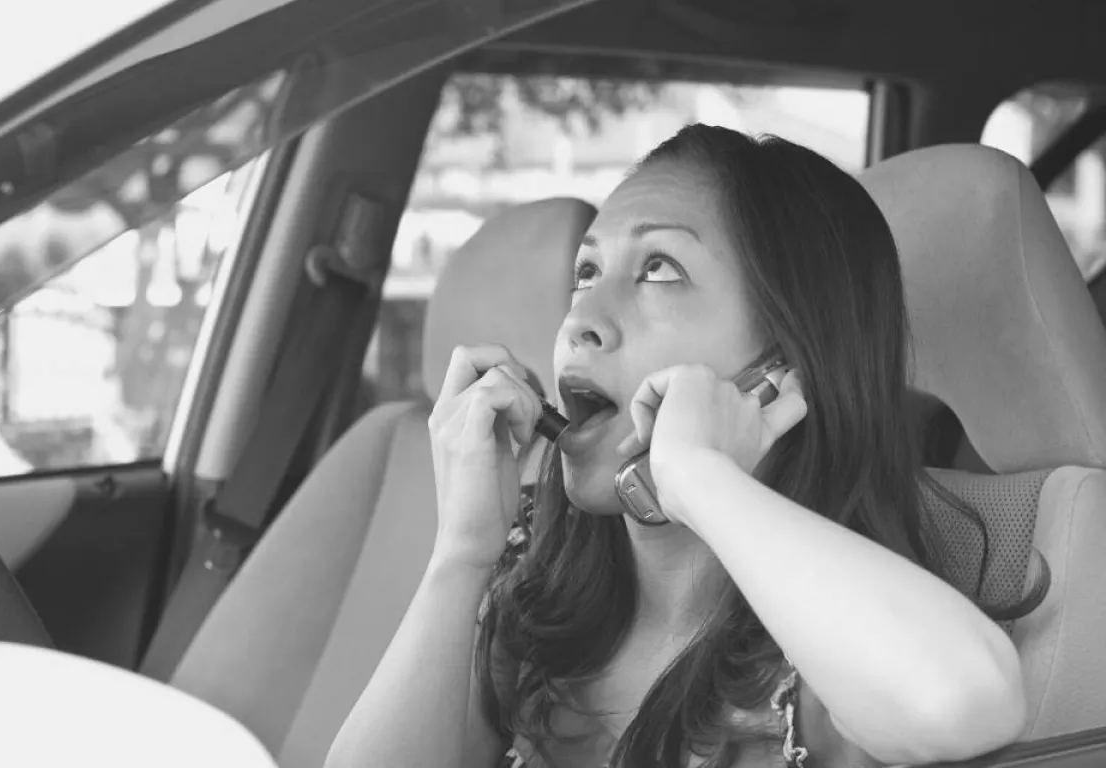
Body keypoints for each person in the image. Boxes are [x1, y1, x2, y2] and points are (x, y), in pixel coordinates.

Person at [325, 125, 1040, 768]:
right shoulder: (534, 602)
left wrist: (700, 477)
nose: (581, 322)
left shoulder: (845, 637)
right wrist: (460, 554)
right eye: (585, 273)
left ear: (784, 367)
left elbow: (963, 704)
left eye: (659, 269)